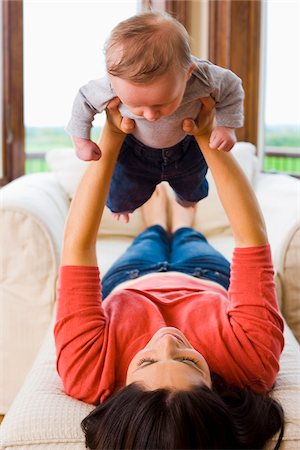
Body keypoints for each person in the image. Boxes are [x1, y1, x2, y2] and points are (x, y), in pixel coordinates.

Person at [55, 98, 284, 449]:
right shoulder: (251, 364)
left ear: (121, 393)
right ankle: (181, 221)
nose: (166, 338)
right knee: (189, 236)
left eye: (145, 361)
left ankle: (159, 221)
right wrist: (207, 136)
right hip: (205, 278)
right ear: (216, 391)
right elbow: (251, 238)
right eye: (188, 359)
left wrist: (112, 136)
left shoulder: (85, 371)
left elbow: (77, 249)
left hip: (131, 281)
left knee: (151, 236)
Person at [66, 11, 244, 220]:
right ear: (112, 81)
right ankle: (123, 207)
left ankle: (186, 201)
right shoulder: (111, 84)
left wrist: (226, 126)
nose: (150, 115)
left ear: (187, 74)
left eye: (162, 103)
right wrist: (81, 141)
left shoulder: (203, 77)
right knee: (120, 195)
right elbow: (84, 101)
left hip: (187, 147)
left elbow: (232, 87)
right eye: (136, 106)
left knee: (193, 189)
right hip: (135, 150)